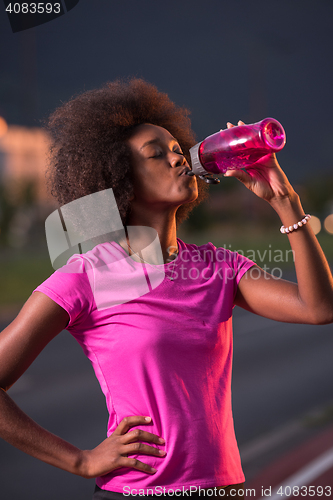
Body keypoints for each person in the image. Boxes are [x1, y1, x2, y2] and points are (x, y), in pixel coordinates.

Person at [0, 78, 332, 500]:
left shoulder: (218, 266)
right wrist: (79, 461)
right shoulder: (86, 275)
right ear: (121, 181)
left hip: (224, 489)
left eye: (178, 150)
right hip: (137, 492)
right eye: (156, 155)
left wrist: (286, 200)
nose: (178, 160)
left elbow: (318, 308)